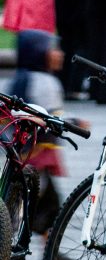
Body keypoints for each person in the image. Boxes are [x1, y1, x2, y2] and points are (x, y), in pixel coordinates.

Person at [6, 31, 70, 235]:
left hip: (20, 155)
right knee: (27, 205)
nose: (59, 54)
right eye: (53, 49)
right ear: (38, 53)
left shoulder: (17, 79)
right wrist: (75, 123)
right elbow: (53, 118)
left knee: (44, 203)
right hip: (38, 156)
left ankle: (51, 248)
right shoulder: (46, 83)